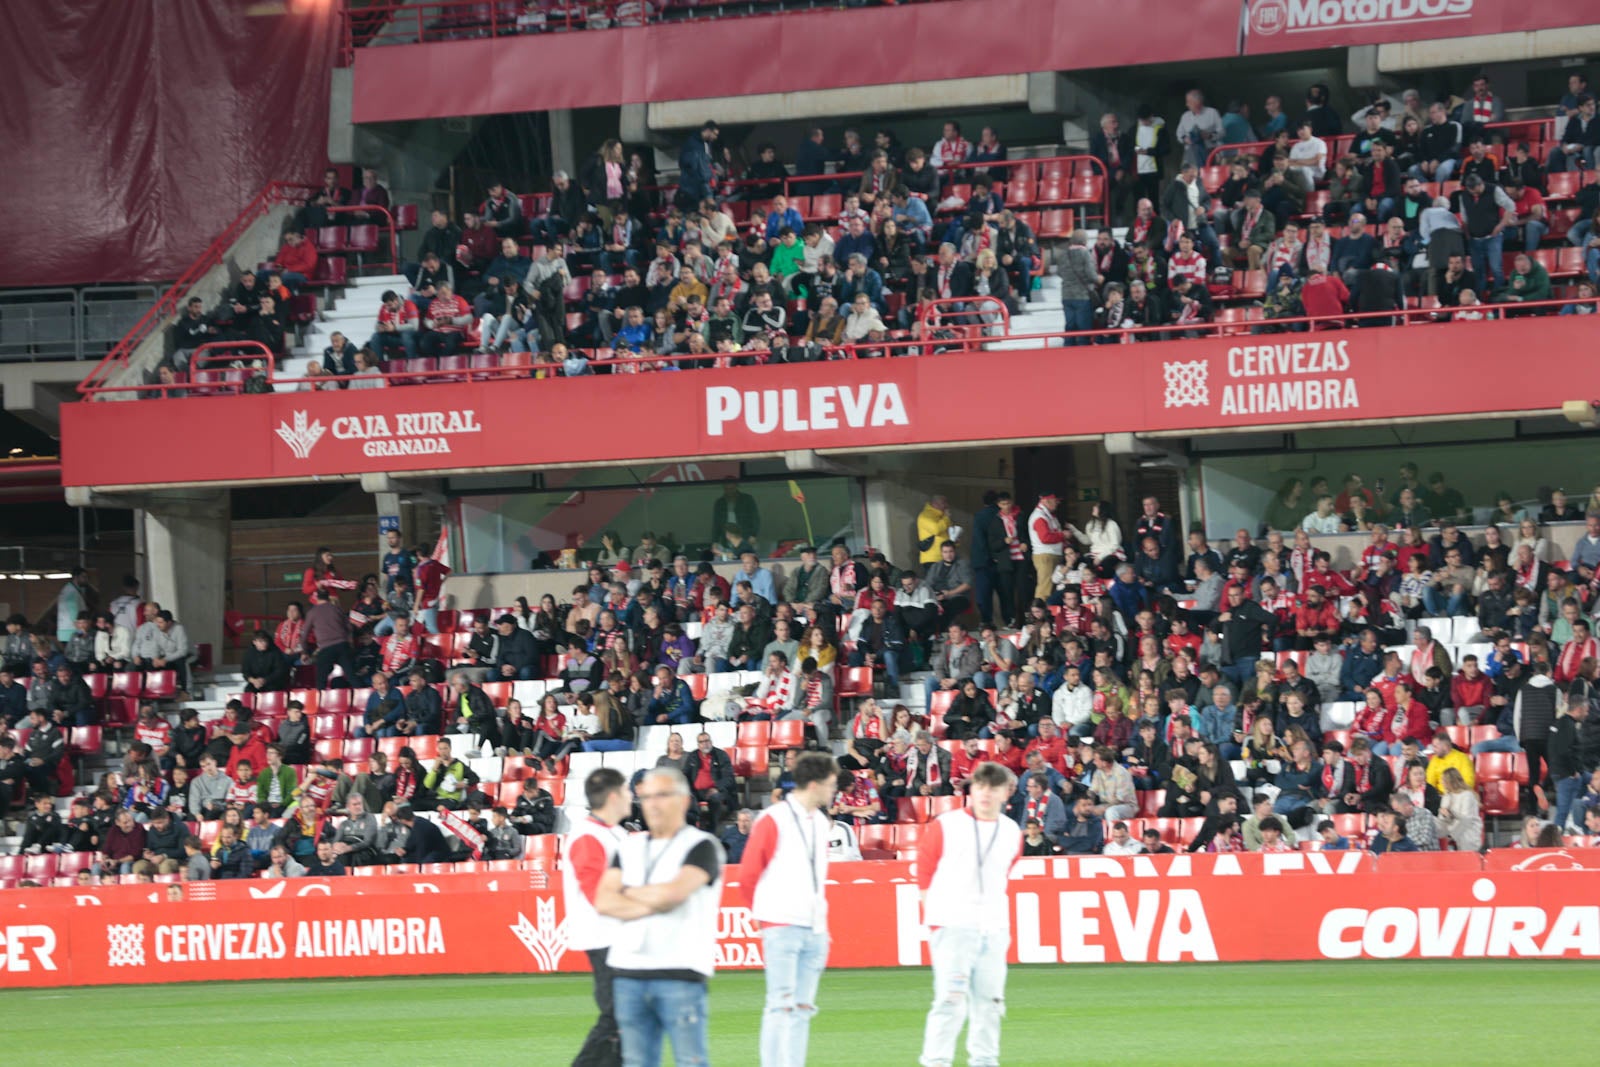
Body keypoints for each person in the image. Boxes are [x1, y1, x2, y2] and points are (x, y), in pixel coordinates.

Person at [594, 768, 725, 1067]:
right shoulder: (627, 846)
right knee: (636, 1062)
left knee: (691, 1061)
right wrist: (654, 899)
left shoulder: (701, 845)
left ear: (683, 800)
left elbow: (674, 894)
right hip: (628, 971)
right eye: (647, 797)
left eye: (662, 796)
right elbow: (603, 900)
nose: (652, 803)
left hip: (679, 970)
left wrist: (626, 892)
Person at [917, 762, 1023, 1067]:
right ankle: (936, 1062)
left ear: (1006, 793)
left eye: (993, 788)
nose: (985, 794)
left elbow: (1003, 873)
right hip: (952, 926)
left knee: (990, 1003)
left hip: (993, 927)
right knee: (950, 1000)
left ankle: (985, 1061)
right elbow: (924, 872)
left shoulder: (1011, 831)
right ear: (971, 790)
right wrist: (937, 919)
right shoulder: (947, 824)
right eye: (980, 787)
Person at [739, 752, 840, 1067]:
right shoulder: (773, 819)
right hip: (781, 924)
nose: (834, 791)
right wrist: (764, 917)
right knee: (780, 1006)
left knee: (802, 1008)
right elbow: (748, 875)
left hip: (815, 927)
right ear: (814, 784)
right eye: (831, 785)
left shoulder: (822, 822)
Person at [564, 767, 633, 1067]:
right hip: (604, 934)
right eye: (627, 790)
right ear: (614, 796)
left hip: (618, 934)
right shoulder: (589, 836)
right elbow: (598, 896)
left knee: (625, 1018)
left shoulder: (616, 833)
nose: (632, 796)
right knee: (618, 1014)